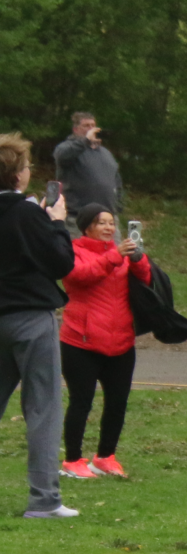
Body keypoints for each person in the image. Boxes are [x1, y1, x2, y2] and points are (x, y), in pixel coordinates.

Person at [0, 131, 76, 519]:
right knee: (43, 407)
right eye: (27, 166)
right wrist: (58, 223)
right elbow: (62, 263)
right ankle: (44, 500)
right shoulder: (28, 213)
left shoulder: (25, 212)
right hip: (30, 316)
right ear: (17, 175)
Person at [56, 205, 149, 480]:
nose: (109, 228)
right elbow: (79, 276)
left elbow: (145, 280)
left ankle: (105, 457)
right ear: (87, 227)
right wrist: (113, 256)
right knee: (81, 402)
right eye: (101, 223)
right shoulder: (73, 250)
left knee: (117, 402)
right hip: (80, 342)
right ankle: (72, 460)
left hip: (121, 341)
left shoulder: (121, 254)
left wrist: (138, 258)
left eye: (111, 223)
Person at [53, 112, 122, 228]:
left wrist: (118, 204)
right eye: (86, 126)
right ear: (75, 129)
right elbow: (62, 157)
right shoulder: (67, 148)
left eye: (93, 125)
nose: (91, 129)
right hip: (78, 219)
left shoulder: (105, 153)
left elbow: (116, 179)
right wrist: (85, 141)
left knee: (114, 247)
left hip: (107, 219)